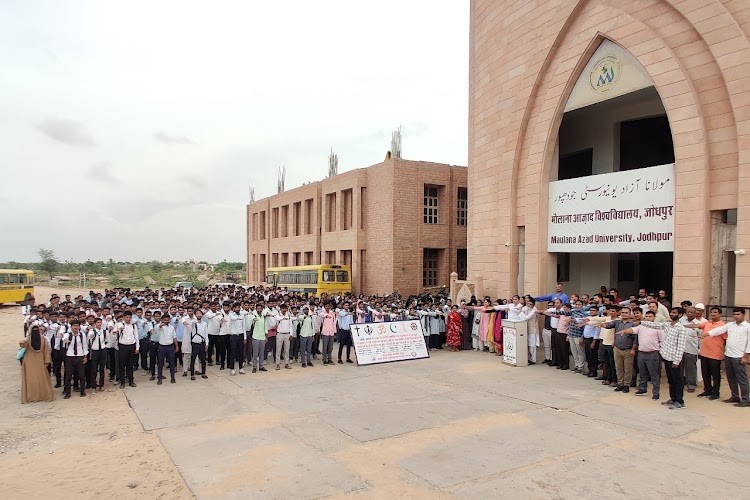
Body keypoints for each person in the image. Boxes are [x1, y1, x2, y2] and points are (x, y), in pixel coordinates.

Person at [641, 307, 689, 409]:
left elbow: (680, 347)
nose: (671, 314)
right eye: (671, 312)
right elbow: (655, 325)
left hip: (675, 359)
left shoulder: (681, 329)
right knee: (671, 380)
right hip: (666, 357)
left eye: (674, 313)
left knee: (678, 381)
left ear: (680, 315)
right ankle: (673, 398)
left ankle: (680, 402)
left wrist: (677, 361)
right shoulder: (667, 325)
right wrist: (641, 322)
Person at [704, 308, 750, 407]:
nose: (736, 316)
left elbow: (749, 343)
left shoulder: (748, 327)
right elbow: (719, 330)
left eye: (738, 314)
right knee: (731, 378)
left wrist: (745, 356)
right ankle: (735, 396)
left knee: (742, 379)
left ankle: (746, 399)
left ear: (743, 315)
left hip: (739, 356)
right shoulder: (730, 325)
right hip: (729, 355)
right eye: (734, 314)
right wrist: (708, 334)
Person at [620, 310, 663, 399]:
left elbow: (662, 341)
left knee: (654, 375)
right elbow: (632, 330)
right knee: (643, 373)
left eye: (650, 317)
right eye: (646, 316)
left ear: (654, 318)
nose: (648, 318)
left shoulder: (658, 328)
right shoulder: (641, 327)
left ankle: (656, 393)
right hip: (641, 353)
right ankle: (643, 390)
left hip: (653, 354)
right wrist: (624, 331)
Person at [19, 325, 53, 403]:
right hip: (29, 363)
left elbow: (46, 351)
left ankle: (43, 396)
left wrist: (47, 361)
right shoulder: (28, 340)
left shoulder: (43, 340)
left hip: (40, 362)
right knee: (31, 380)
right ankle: (31, 397)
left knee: (41, 379)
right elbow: (22, 344)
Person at [63, 320, 89, 398]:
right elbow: (64, 339)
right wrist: (66, 340)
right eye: (74, 326)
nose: (75, 327)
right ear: (71, 327)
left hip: (80, 356)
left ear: (79, 327)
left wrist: (85, 356)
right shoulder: (68, 334)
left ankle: (82, 391)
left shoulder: (82, 335)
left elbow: (85, 346)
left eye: (77, 326)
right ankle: (67, 393)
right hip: (70, 356)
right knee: (68, 376)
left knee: (81, 375)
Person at [114, 311, 139, 389]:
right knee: (122, 365)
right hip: (122, 346)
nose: (128, 319)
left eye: (130, 317)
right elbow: (114, 332)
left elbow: (136, 337)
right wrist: (118, 328)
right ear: (124, 317)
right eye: (127, 317)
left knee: (130, 365)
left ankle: (131, 381)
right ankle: (122, 382)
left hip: (131, 346)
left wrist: (137, 347)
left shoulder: (133, 326)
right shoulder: (120, 324)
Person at [155, 315, 178, 385]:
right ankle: (159, 378)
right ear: (162, 320)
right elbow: (158, 327)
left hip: (170, 346)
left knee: (172, 363)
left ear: (170, 320)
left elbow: (174, 337)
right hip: (162, 347)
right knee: (160, 363)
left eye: (168, 320)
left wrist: (176, 346)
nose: (166, 321)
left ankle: (172, 378)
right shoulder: (159, 326)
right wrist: (161, 324)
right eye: (165, 320)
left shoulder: (171, 327)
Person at [87, 317, 107, 391]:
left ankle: (101, 385)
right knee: (94, 369)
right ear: (95, 324)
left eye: (100, 322)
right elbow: (90, 336)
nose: (99, 324)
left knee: (102, 369)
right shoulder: (92, 331)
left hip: (102, 350)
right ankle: (93, 386)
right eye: (98, 322)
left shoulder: (104, 331)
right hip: (95, 351)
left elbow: (106, 340)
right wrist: (91, 330)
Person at [188, 309, 209, 380]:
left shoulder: (204, 323)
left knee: (203, 360)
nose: (199, 315)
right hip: (195, 344)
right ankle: (192, 375)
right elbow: (190, 326)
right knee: (193, 359)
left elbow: (206, 333)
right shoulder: (193, 322)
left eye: (200, 313)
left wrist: (207, 343)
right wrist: (193, 322)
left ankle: (203, 373)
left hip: (202, 343)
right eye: (197, 313)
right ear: (195, 315)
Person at [250, 303, 268, 373]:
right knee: (255, 353)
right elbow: (253, 319)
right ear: (256, 309)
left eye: (260, 309)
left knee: (261, 353)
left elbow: (265, 327)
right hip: (255, 337)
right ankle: (254, 367)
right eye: (258, 309)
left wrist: (266, 336)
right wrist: (255, 318)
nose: (259, 310)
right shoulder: (254, 316)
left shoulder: (263, 317)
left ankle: (261, 366)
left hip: (262, 337)